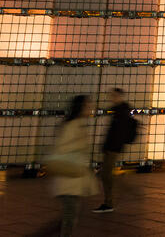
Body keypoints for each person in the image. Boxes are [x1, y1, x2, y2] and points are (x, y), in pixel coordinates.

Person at [48, 95, 98, 236]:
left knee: (71, 214)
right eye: (88, 105)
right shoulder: (72, 125)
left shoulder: (78, 124)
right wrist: (80, 144)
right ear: (81, 107)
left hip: (74, 177)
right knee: (70, 215)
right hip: (68, 177)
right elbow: (60, 149)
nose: (91, 108)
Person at [94, 88, 135, 213]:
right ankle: (109, 200)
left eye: (113, 95)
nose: (111, 98)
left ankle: (109, 202)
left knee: (106, 175)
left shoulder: (121, 111)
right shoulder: (120, 110)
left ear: (119, 96)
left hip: (113, 147)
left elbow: (118, 133)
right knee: (106, 174)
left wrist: (109, 146)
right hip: (113, 147)